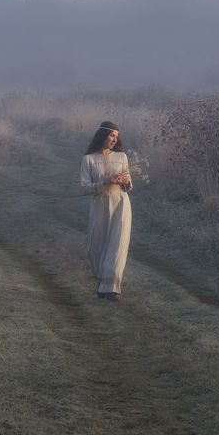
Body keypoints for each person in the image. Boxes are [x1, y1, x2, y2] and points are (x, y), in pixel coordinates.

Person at [80, 121, 132, 302]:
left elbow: (129, 184)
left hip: (120, 204)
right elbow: (85, 188)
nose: (114, 140)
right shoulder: (88, 159)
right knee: (97, 246)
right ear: (102, 136)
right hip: (100, 206)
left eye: (116, 137)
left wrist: (124, 179)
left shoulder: (122, 157)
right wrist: (106, 182)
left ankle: (112, 289)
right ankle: (102, 284)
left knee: (117, 245)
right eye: (111, 136)